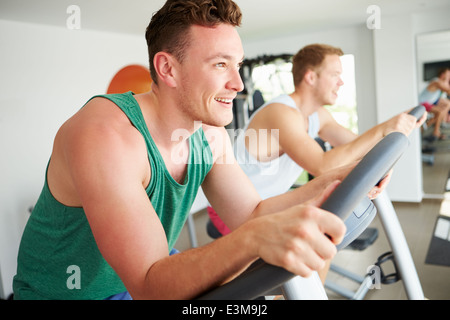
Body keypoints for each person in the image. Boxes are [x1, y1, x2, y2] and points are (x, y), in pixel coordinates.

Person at [13, 0, 353, 300]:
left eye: (237, 65)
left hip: (146, 274)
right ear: (168, 69)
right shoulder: (106, 136)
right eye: (221, 64)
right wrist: (251, 240)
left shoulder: (208, 131)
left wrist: (333, 180)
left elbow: (251, 212)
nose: (238, 83)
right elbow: (149, 285)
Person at [207, 43, 426, 281]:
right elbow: (321, 165)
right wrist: (384, 129)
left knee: (328, 224)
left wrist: (391, 132)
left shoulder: (316, 115)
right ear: (311, 77)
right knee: (319, 232)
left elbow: (358, 145)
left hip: (267, 204)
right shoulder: (280, 113)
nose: (341, 82)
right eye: (335, 75)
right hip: (234, 211)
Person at [418, 67, 450, 141]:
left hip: (430, 103)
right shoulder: (437, 82)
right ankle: (435, 132)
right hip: (422, 104)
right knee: (439, 112)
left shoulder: (442, 83)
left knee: (447, 105)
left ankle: (427, 128)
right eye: (448, 74)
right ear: (442, 75)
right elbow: (448, 90)